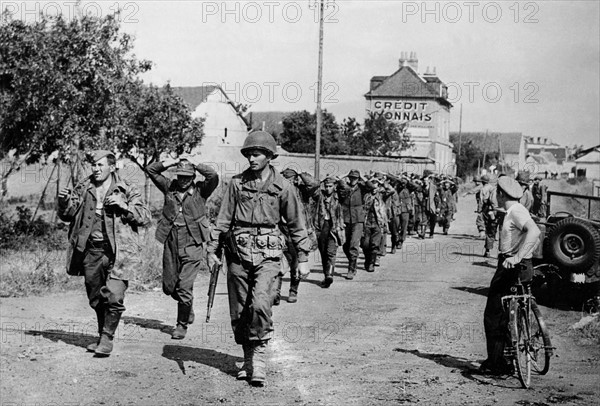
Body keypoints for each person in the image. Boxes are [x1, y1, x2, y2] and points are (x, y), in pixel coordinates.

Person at [206, 131, 312, 387]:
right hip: (238, 252)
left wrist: (304, 256)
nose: (251, 158)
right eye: (249, 154)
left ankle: (260, 358)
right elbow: (223, 219)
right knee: (240, 310)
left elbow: (297, 223)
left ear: (269, 156)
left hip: (269, 253)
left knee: (261, 304)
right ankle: (247, 359)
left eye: (257, 154)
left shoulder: (282, 186)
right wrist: (211, 250)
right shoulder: (237, 183)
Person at [57, 150, 151, 356]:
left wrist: (124, 205)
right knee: (96, 297)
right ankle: (102, 335)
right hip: (91, 250)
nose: (96, 169)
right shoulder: (83, 187)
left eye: (100, 165)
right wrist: (64, 203)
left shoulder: (127, 188)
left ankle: (107, 339)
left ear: (112, 167)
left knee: (114, 296)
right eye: (94, 165)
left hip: (120, 253)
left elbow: (145, 216)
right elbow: (68, 215)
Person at [146, 155, 219, 339]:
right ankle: (188, 307)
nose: (184, 180)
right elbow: (151, 170)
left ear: (193, 176)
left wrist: (196, 164)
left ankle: (181, 324)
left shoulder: (201, 190)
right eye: (181, 176)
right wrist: (171, 162)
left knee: (184, 287)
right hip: (171, 239)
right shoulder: (169, 187)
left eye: (188, 176)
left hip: (192, 241)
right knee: (170, 287)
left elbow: (213, 176)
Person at [481, 176, 541, 375]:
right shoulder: (514, 210)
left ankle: (497, 363)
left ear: (500, 194)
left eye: (495, 193)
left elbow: (535, 231)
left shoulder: (515, 212)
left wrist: (517, 257)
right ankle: (507, 357)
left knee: (493, 314)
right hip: (522, 266)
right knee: (509, 312)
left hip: (512, 265)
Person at [275, 168, 319, 304]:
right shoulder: (278, 191)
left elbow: (314, 184)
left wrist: (301, 174)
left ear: (295, 180)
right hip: (281, 231)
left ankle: (293, 291)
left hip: (298, 233)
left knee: (295, 264)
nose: (287, 181)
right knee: (277, 263)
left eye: (290, 179)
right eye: (285, 178)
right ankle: (275, 292)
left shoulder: (302, 191)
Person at [313, 176, 345, 287]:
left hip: (334, 228)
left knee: (331, 252)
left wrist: (340, 180)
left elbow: (346, 189)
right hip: (321, 227)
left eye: (330, 186)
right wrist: (319, 181)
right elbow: (311, 186)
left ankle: (329, 275)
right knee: (323, 253)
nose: (327, 188)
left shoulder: (339, 196)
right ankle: (326, 275)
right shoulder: (319, 195)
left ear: (334, 186)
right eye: (326, 186)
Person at [338, 170, 369, 280]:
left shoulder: (362, 188)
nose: (353, 180)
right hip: (346, 218)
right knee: (345, 245)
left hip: (358, 219)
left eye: (355, 178)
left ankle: (351, 269)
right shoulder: (343, 187)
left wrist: (363, 178)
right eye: (351, 177)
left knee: (354, 244)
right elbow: (336, 179)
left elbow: (371, 186)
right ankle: (352, 261)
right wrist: (344, 174)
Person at [360, 178, 387, 272]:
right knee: (365, 244)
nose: (374, 189)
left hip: (377, 223)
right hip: (366, 223)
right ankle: (367, 260)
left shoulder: (382, 196)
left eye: (376, 186)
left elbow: (391, 190)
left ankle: (371, 263)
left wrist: (383, 182)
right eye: (373, 186)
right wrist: (368, 179)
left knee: (374, 245)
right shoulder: (365, 196)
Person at [480, 175, 498, 257]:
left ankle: (488, 250)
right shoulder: (494, 189)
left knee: (490, 230)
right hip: (501, 212)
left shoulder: (490, 189)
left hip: (492, 211)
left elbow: (483, 200)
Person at [396, 177, 413, 248]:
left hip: (406, 210)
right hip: (397, 209)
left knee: (404, 226)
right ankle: (396, 239)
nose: (402, 184)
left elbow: (416, 186)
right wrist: (399, 180)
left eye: (404, 183)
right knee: (396, 226)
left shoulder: (409, 189)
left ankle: (401, 241)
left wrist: (408, 181)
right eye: (401, 183)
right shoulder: (397, 188)